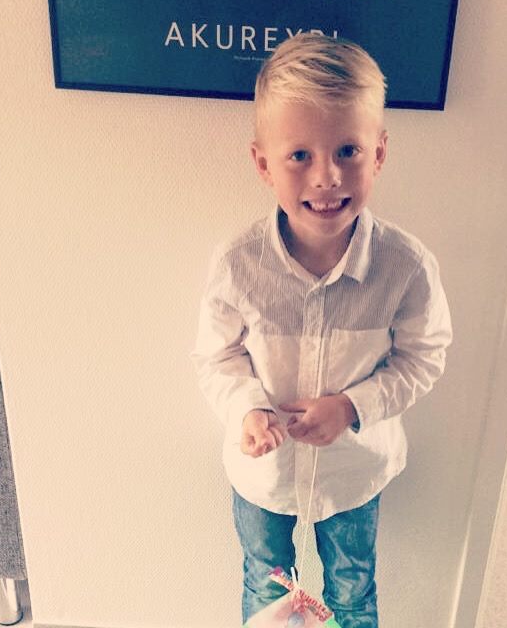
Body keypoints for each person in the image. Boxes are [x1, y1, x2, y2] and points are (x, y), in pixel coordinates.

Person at [192, 32, 452, 628]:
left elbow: (424, 356)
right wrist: (246, 409)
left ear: (378, 154)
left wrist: (353, 406)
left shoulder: (406, 266)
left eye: (348, 151)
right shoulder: (237, 264)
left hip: (354, 469)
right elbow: (216, 356)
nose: (327, 176)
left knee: (352, 588)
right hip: (263, 472)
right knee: (266, 582)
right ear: (264, 163)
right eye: (300, 156)